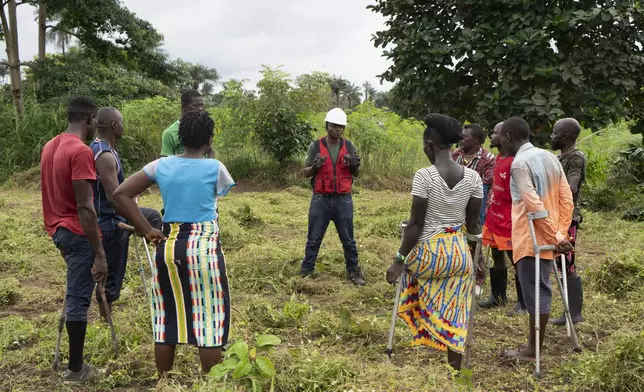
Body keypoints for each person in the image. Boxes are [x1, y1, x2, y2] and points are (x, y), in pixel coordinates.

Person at [113, 110, 235, 375]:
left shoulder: (160, 165)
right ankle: (211, 382)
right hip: (204, 249)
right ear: (209, 139)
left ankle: (164, 381)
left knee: (166, 318)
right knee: (209, 320)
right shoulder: (216, 168)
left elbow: (120, 194)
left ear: (179, 136)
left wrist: (146, 229)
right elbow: (216, 196)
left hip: (168, 246)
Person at [386, 114, 483, 371]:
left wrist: (398, 260)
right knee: (456, 307)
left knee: (409, 275)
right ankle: (455, 367)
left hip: (428, 256)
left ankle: (424, 329)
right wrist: (476, 260)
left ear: (429, 145)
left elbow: (415, 225)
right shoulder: (474, 178)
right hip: (460, 255)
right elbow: (474, 227)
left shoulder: (424, 176)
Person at [41, 97, 106, 382]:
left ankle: (75, 366)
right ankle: (76, 370)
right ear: (90, 119)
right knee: (79, 299)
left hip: (57, 230)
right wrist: (100, 252)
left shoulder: (50, 146)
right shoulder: (80, 151)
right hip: (78, 234)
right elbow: (85, 206)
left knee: (75, 294)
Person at [499, 117, 574, 362]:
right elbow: (566, 199)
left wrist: (555, 236)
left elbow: (533, 205)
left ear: (509, 137)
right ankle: (533, 345)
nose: (499, 141)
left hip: (530, 237)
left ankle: (533, 350)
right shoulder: (550, 157)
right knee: (540, 288)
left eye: (501, 137)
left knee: (535, 292)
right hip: (550, 235)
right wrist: (560, 234)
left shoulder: (519, 164)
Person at [89, 108, 163, 319]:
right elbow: (114, 197)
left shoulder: (99, 148)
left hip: (111, 215)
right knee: (110, 278)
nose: (123, 125)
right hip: (111, 221)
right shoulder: (104, 155)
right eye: (121, 121)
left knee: (154, 216)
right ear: (114, 126)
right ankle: (106, 320)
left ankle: (162, 264)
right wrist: (140, 224)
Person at [301, 108, 366, 286]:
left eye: (341, 126)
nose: (337, 129)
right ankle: (306, 271)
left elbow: (357, 173)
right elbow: (305, 173)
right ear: (327, 126)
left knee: (348, 239)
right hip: (320, 198)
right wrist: (315, 167)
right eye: (334, 125)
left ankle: (353, 272)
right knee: (314, 237)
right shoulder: (316, 146)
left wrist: (354, 165)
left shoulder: (350, 146)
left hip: (343, 199)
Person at [479, 122, 526, 315]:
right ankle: (498, 296)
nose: (491, 136)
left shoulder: (516, 162)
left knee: (516, 260)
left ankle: (523, 303)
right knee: (496, 255)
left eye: (494, 133)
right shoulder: (499, 157)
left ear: (506, 136)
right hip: (494, 218)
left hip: (509, 220)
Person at [550, 118, 586, 325]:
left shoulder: (575, 159)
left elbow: (571, 187)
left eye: (554, 133)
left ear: (565, 137)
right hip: (558, 216)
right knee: (562, 264)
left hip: (568, 218)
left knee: (568, 264)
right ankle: (569, 311)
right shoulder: (560, 157)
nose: (551, 136)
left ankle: (574, 313)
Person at [452, 123, 495, 224]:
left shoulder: (488, 159)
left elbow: (485, 188)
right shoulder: (456, 154)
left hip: (477, 205)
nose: (460, 139)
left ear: (475, 140)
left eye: (464, 137)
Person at [160, 89, 213, 158]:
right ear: (184, 105)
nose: (200, 109)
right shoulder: (169, 133)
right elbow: (165, 162)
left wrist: (211, 165)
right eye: (195, 106)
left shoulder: (203, 127)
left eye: (201, 105)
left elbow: (210, 150)